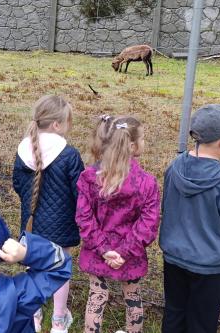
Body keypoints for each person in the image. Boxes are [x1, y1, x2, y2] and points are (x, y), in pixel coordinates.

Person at [159, 104, 220, 333]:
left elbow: (166, 208)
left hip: (174, 258)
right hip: (210, 268)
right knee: (202, 323)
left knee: (173, 314)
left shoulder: (174, 168)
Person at [76, 115, 160, 333]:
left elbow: (84, 218)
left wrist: (103, 249)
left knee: (97, 295)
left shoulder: (90, 177)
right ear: (131, 146)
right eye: (142, 138)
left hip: (97, 250)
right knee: (133, 296)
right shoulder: (147, 183)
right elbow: (148, 224)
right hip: (131, 252)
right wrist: (124, 252)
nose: (144, 142)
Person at [12, 94, 84, 333]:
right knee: (60, 269)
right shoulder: (70, 155)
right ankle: (58, 321)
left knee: (34, 266)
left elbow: (17, 184)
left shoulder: (23, 150)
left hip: (31, 222)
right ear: (56, 125)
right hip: (62, 226)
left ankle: (34, 315)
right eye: (68, 122)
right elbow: (80, 191)